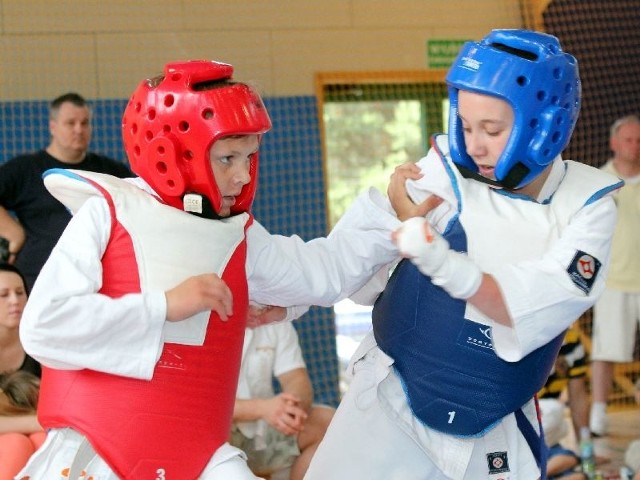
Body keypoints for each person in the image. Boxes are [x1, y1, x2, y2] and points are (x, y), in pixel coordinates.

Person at [17, 60, 400, 479]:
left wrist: (396, 209)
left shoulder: (236, 235)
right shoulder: (107, 214)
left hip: (199, 454)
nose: (242, 175)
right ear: (171, 156)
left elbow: (324, 273)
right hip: (96, 451)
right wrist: (164, 306)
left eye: (250, 157)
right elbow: (43, 328)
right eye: (227, 158)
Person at [305, 29, 622, 480]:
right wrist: (279, 293)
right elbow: (348, 257)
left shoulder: (587, 207)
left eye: (491, 129)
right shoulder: (443, 170)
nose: (474, 144)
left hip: (495, 422)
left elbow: (534, 303)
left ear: (545, 126)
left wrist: (439, 258)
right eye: (467, 125)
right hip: (390, 398)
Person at [0, 92, 132, 289]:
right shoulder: (25, 169)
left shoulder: (110, 172)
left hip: (96, 280)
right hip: (38, 279)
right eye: (71, 123)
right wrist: (13, 233)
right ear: (53, 127)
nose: (79, 130)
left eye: (85, 123)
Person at [231, 319, 335, 480]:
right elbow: (203, 408)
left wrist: (289, 409)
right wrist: (262, 409)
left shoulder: (273, 317)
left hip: (263, 429)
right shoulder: (202, 323)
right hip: (220, 434)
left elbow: (296, 380)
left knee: (328, 423)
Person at [589, 114, 640, 437]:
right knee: (605, 350)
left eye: (638, 140)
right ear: (613, 143)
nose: (634, 146)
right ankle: (598, 414)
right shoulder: (599, 182)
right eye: (628, 139)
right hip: (612, 282)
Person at [0, 263, 45, 479]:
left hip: (41, 432)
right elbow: (49, 419)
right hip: (30, 430)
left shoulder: (41, 342)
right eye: (3, 295)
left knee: (41, 441)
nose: (15, 301)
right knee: (16, 443)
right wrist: (41, 421)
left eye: (20, 293)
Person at [538, 326, 591, 441]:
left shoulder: (572, 340)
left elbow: (578, 399)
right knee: (554, 411)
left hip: (546, 416)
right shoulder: (526, 338)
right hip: (521, 415)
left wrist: (587, 451)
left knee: (561, 425)